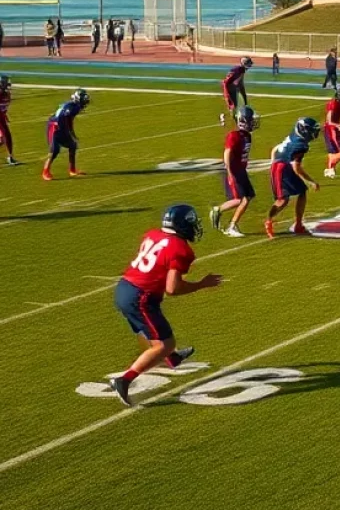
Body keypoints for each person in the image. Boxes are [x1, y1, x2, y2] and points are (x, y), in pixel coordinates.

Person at [108, 204, 222, 406]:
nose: (194, 226)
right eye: (191, 222)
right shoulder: (181, 249)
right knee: (165, 343)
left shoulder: (153, 234)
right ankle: (124, 380)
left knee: (149, 331)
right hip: (140, 296)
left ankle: (170, 358)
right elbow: (172, 288)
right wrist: (201, 284)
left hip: (124, 287)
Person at [265, 116, 320, 238]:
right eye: (312, 130)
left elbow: (276, 149)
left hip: (282, 165)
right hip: (282, 168)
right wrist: (311, 181)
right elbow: (296, 167)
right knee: (282, 200)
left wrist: (273, 162)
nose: (314, 133)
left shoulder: (295, 137)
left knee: (302, 192)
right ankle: (268, 220)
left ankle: (298, 225)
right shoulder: (300, 145)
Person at [210, 105, 259, 238]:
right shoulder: (234, 136)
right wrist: (230, 172)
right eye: (250, 120)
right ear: (243, 121)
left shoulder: (247, 136)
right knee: (241, 199)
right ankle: (231, 225)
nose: (253, 122)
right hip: (234, 171)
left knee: (247, 197)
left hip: (241, 171)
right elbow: (227, 153)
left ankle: (220, 212)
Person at [42, 88, 89, 181]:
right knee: (54, 150)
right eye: (83, 99)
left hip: (61, 126)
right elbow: (66, 118)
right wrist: (69, 132)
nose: (85, 101)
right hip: (54, 127)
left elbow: (69, 120)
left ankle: (72, 170)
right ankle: (45, 171)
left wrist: (71, 133)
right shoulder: (72, 106)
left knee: (73, 145)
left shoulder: (73, 105)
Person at [323, 82, 340, 178]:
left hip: (332, 129)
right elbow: (329, 121)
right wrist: (339, 125)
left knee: (333, 151)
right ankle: (330, 167)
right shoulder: (334, 103)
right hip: (331, 130)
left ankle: (330, 169)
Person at [220, 56, 252, 124]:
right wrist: (227, 95)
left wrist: (245, 98)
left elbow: (241, 84)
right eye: (249, 64)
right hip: (227, 89)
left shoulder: (242, 71)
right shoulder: (235, 70)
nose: (250, 66)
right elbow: (225, 83)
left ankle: (224, 116)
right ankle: (236, 123)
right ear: (244, 63)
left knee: (235, 108)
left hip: (233, 88)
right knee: (233, 107)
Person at [0, 74, 16, 166]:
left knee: (2, 140)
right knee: (6, 135)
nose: (8, 84)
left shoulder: (7, 94)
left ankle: (10, 157)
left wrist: (4, 115)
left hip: (1, 117)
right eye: (6, 83)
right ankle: (10, 157)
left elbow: (3, 108)